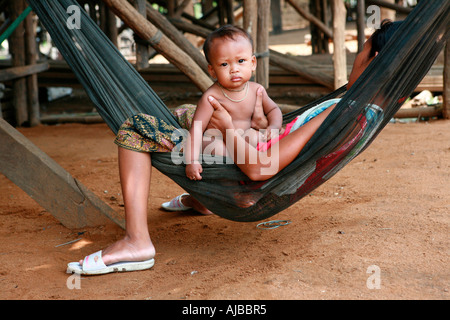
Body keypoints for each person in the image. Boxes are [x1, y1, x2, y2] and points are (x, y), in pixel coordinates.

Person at [67, 20, 402, 275]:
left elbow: (261, 169)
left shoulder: (344, 112)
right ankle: (203, 197)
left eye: (362, 48)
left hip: (242, 158)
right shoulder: (361, 106)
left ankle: (137, 241)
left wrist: (228, 129)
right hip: (240, 140)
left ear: (372, 58)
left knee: (135, 128)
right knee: (181, 117)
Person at [162, 25, 282, 212]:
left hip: (242, 142)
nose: (234, 69)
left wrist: (274, 126)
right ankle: (234, 192)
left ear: (253, 63)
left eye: (240, 61)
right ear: (212, 70)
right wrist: (191, 160)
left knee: (257, 137)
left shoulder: (257, 90)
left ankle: (253, 185)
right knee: (218, 147)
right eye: (224, 64)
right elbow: (196, 131)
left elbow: (274, 110)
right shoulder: (211, 97)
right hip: (216, 142)